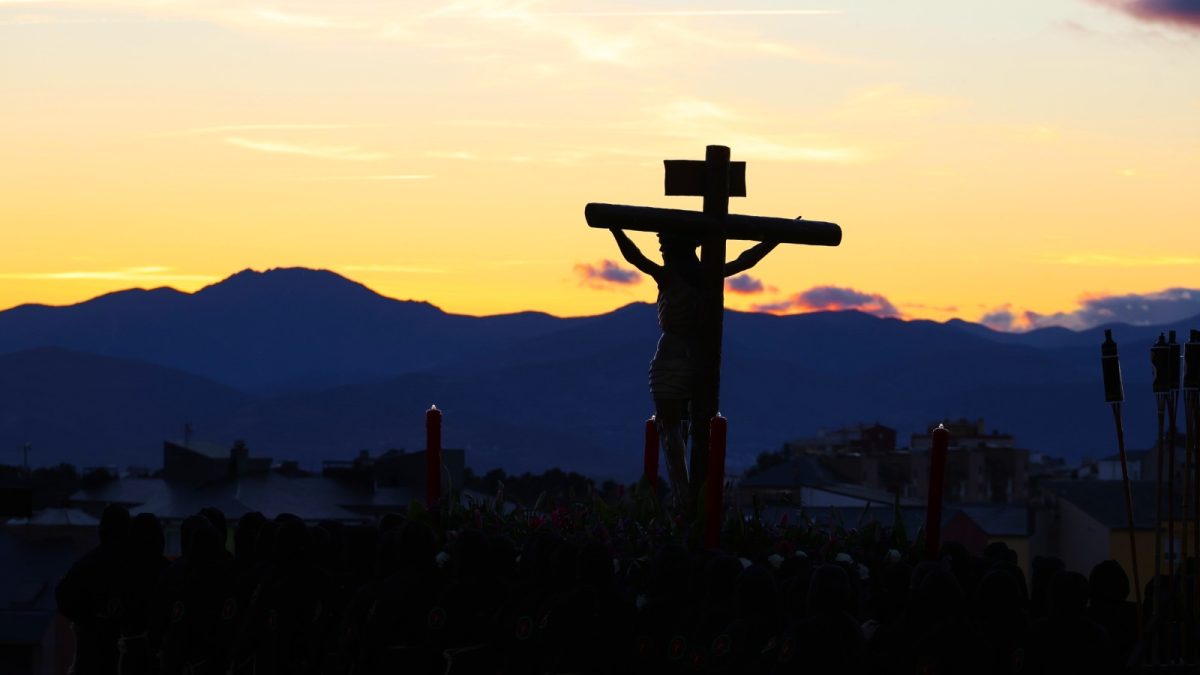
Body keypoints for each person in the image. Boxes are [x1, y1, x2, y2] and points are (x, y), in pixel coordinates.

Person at [609, 228, 777, 504]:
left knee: (671, 427)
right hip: (697, 357)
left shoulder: (670, 276)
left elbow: (634, 257)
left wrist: (615, 229)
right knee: (680, 426)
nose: (661, 251)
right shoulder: (704, 277)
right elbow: (746, 261)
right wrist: (774, 239)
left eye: (665, 246)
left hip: (673, 355)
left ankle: (684, 495)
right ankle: (685, 495)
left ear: (678, 248)